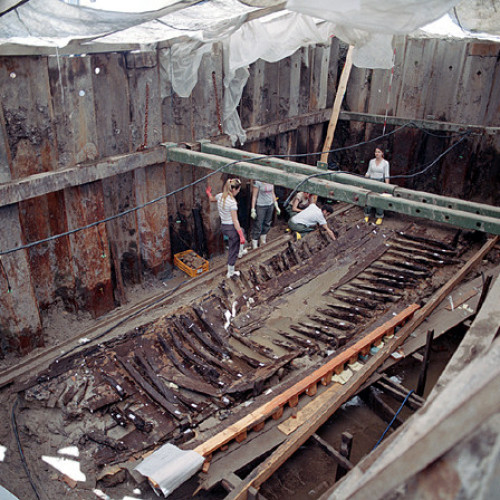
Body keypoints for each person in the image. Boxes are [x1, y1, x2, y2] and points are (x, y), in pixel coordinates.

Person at [206, 178, 247, 278]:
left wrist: (208, 193)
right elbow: (235, 221)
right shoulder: (232, 203)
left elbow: (211, 199)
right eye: (238, 190)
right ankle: (231, 272)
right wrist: (241, 236)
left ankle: (241, 252)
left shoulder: (220, 196)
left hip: (224, 226)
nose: (238, 192)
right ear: (234, 190)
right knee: (233, 248)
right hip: (231, 227)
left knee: (242, 231)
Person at [250, 181, 280, 249]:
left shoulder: (271, 181)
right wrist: (253, 209)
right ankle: (254, 243)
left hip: (270, 204)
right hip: (261, 205)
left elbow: (273, 193)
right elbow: (254, 196)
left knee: (267, 223)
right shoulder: (258, 182)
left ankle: (263, 241)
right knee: (258, 224)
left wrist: (276, 205)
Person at [364, 147, 390, 225]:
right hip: (371, 181)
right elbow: (368, 172)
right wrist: (363, 181)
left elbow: (387, 175)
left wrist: (387, 186)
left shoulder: (385, 163)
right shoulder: (371, 161)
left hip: (380, 182)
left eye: (379, 152)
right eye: (376, 152)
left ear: (382, 153)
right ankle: (367, 215)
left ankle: (379, 216)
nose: (377, 153)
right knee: (368, 197)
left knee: (379, 199)